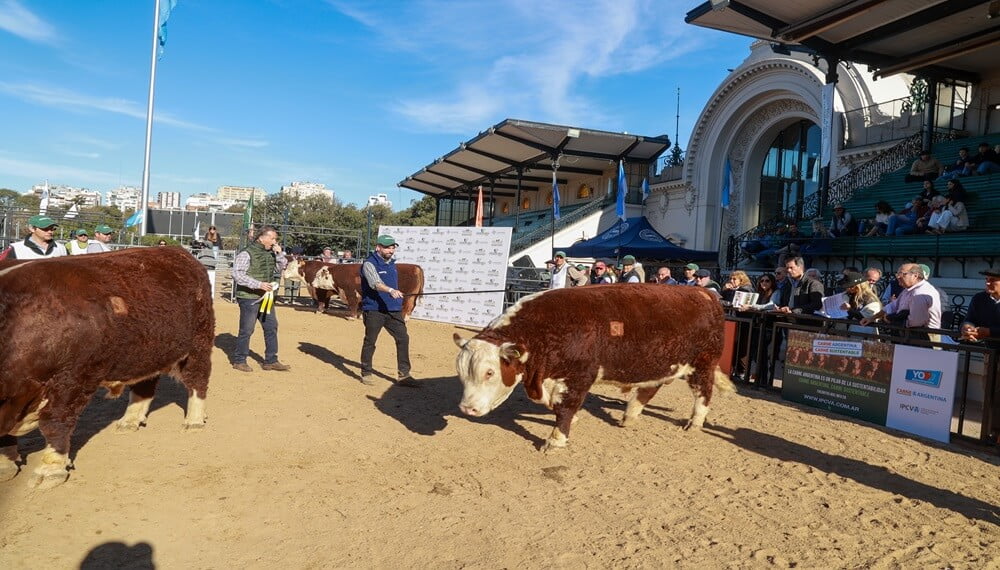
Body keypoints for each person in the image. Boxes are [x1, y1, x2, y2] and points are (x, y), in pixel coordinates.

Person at [359, 235, 418, 387]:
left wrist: (396, 296)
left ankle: (404, 375)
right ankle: (366, 372)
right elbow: (375, 283)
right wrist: (391, 290)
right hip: (374, 310)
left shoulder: (392, 264)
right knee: (370, 341)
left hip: (393, 310)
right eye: (387, 247)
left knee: (403, 338)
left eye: (392, 247)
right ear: (378, 247)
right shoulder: (369, 264)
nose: (390, 250)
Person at [231, 225, 291, 372]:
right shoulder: (246, 253)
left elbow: (282, 267)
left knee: (271, 327)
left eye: (275, 239)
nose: (274, 241)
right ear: (262, 238)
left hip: (266, 297)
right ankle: (239, 360)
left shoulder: (271, 253)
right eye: (272, 238)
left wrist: (279, 254)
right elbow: (237, 274)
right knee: (247, 329)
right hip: (249, 298)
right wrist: (258, 284)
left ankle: (271, 360)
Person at [960, 269, 1000, 443]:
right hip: (991, 353)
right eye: (986, 280)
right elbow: (970, 318)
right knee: (990, 392)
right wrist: (967, 328)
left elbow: (988, 329)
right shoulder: (979, 298)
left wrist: (989, 331)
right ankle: (992, 432)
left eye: (993, 280)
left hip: (993, 349)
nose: (988, 283)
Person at [862, 263, 941, 340]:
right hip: (908, 334)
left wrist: (891, 319)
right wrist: (872, 318)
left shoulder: (920, 293)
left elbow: (914, 323)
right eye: (897, 274)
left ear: (915, 276)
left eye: (902, 274)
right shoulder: (908, 289)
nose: (898, 277)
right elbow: (892, 305)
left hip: (924, 337)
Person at [0, 215, 67, 259]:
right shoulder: (16, 249)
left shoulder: (62, 249)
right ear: (32, 229)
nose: (50, 231)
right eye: (45, 228)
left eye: (52, 229)